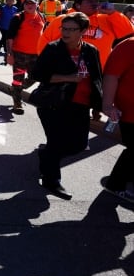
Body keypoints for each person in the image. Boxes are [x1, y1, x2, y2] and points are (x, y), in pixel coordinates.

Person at [31, 12, 102, 200]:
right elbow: (37, 75)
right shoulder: (53, 49)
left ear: (83, 31)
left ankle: (46, 155)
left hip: (81, 105)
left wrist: (97, 106)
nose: (66, 33)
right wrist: (68, 78)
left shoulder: (91, 51)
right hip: (54, 104)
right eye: (64, 28)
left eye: (72, 29)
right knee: (56, 142)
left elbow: (97, 79)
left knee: (79, 145)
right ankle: (51, 180)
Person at [38, 0, 134, 68]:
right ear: (78, 5)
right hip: (68, 75)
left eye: (97, 1)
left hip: (98, 75)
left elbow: (128, 32)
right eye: (90, 1)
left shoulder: (107, 19)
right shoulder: (63, 20)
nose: (95, 4)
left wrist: (113, 13)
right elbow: (44, 44)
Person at [101, 35, 134, 203]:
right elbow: (111, 75)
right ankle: (116, 185)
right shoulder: (129, 45)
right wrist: (107, 104)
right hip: (130, 110)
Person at [5, 0, 45, 115]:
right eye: (27, 3)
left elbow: (45, 36)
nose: (29, 5)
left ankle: (15, 90)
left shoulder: (42, 17)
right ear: (24, 5)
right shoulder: (18, 17)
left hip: (36, 55)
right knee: (18, 80)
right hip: (19, 55)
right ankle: (17, 104)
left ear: (37, 4)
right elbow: (9, 38)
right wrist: (9, 54)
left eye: (32, 3)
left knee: (36, 76)